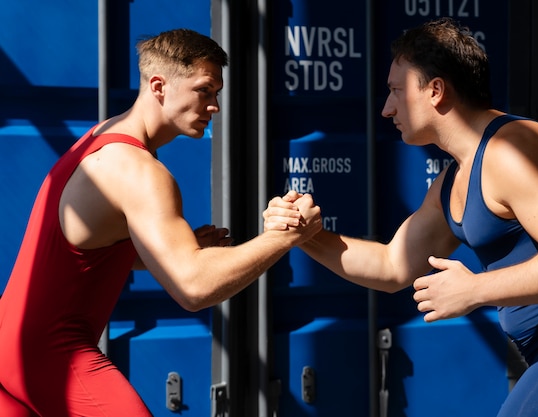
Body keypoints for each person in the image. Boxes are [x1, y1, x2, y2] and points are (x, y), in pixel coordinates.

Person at [264, 18, 538, 417]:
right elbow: (391, 267)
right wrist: (305, 236)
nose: (387, 109)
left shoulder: (512, 151)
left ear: (435, 91)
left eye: (397, 91)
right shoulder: (454, 179)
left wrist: (475, 290)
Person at [0, 29, 321, 416]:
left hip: (13, 350)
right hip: (53, 356)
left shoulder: (99, 139)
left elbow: (90, 252)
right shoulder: (140, 171)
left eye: (217, 93)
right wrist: (283, 238)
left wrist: (175, 251)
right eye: (205, 90)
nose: (215, 105)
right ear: (158, 86)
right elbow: (194, 287)